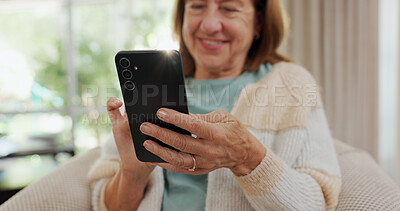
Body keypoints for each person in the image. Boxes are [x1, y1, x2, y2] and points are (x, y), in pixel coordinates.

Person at [88, 0, 342, 210]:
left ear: (259, 22)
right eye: (197, 6)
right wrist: (132, 175)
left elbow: (316, 203)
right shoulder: (154, 85)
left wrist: (247, 157)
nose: (209, 25)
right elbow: (106, 205)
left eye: (229, 8)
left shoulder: (291, 85)